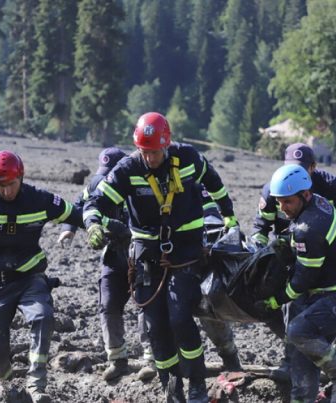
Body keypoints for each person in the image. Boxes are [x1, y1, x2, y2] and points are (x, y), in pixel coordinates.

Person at [83, 112, 238, 402]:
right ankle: (172, 385)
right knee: (155, 326)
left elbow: (215, 182)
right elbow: (95, 202)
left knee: (179, 317)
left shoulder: (189, 158)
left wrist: (228, 215)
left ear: (166, 145)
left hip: (186, 250)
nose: (150, 158)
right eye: (145, 152)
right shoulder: (127, 169)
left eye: (155, 152)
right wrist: (93, 223)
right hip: (146, 255)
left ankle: (196, 384)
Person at [249, 143, 336, 381]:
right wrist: (259, 254)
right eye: (290, 168)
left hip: (322, 271)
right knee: (287, 315)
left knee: (304, 323)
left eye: (303, 169)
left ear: (313, 168)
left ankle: (325, 375)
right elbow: (260, 227)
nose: (295, 175)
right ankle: (295, 366)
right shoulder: (273, 189)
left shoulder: (328, 185)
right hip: (291, 262)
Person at [0, 150, 82, 400]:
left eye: (12, 184)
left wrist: (90, 227)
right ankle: (9, 384)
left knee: (43, 316)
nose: (7, 191)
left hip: (29, 278)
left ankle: (36, 383)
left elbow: (75, 213)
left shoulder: (39, 200)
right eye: (1, 185)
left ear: (21, 177)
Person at [57, 147, 156, 382]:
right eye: (105, 172)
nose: (108, 178)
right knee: (108, 304)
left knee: (145, 304)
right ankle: (117, 359)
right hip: (113, 254)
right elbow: (79, 205)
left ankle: (151, 359)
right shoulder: (96, 184)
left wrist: (123, 228)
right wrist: (68, 230)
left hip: (140, 253)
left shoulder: (139, 185)